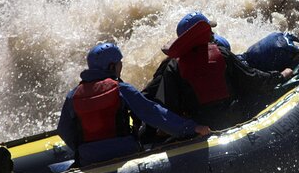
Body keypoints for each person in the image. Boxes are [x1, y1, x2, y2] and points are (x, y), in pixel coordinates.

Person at [58, 43, 210, 166]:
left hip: (89, 157)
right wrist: (190, 127)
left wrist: (86, 151)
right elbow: (153, 113)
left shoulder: (73, 95)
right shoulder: (121, 89)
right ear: (112, 66)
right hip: (124, 151)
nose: (120, 68)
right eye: (119, 64)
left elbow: (64, 130)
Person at [142, 14, 294, 131]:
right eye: (210, 30)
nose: (212, 33)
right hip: (232, 118)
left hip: (199, 128)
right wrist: (280, 76)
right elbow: (253, 80)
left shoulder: (172, 67)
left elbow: (168, 107)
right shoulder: (221, 53)